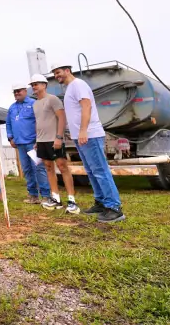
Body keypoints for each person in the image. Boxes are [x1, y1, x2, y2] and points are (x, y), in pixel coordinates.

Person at [52, 62, 125, 223]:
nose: (57, 76)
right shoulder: (70, 87)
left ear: (67, 70)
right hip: (81, 136)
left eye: (58, 72)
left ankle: (114, 207)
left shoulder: (78, 84)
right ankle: (100, 202)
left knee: (100, 170)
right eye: (54, 73)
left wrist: (83, 130)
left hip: (90, 134)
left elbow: (86, 106)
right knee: (92, 171)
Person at [29, 74, 80, 214]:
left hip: (54, 139)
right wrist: (37, 141)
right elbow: (39, 122)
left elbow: (62, 117)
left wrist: (59, 137)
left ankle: (71, 201)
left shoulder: (53, 99)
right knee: (48, 167)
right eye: (32, 84)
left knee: (63, 167)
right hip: (41, 141)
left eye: (37, 83)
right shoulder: (35, 103)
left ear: (44, 85)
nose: (34, 86)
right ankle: (56, 198)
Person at [6, 84, 50, 204]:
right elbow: (9, 123)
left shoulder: (34, 104)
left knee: (39, 168)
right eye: (14, 92)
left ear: (25, 91)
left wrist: (38, 139)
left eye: (18, 91)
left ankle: (46, 195)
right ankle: (33, 196)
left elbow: (40, 121)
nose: (16, 93)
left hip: (33, 144)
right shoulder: (12, 108)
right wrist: (10, 138)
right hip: (20, 144)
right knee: (27, 169)